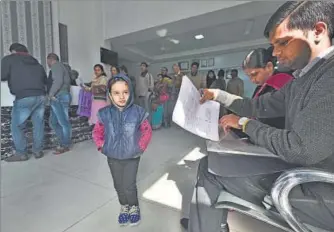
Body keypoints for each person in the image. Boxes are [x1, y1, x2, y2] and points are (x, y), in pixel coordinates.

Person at [188, 2, 334, 232]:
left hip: (319, 189)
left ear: (318, 31)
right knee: (216, 160)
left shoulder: (329, 77)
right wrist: (217, 94)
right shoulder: (302, 79)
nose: (275, 53)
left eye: (283, 43)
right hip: (303, 171)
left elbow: (300, 148)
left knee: (211, 169)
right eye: (273, 45)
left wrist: (245, 124)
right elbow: (258, 106)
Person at [92, 74, 152, 226]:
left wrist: (140, 146)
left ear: (130, 92)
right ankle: (124, 205)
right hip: (112, 156)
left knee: (129, 185)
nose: (121, 97)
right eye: (116, 93)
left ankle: (134, 206)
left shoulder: (138, 112)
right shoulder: (105, 114)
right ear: (110, 95)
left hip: (132, 156)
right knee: (118, 184)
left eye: (125, 92)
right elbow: (97, 131)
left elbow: (146, 131)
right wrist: (102, 145)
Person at [1, 43, 47, 162]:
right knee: (38, 125)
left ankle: (21, 153)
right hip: (41, 96)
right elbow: (45, 79)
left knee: (17, 125)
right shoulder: (36, 62)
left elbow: (2, 75)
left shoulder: (9, 59)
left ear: (13, 51)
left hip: (24, 96)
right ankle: (38, 151)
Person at [47, 53, 72, 155]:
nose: (47, 63)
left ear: (50, 59)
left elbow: (58, 81)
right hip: (61, 96)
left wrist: (51, 94)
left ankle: (65, 145)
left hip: (59, 96)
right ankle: (63, 142)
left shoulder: (56, 66)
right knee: (54, 122)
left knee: (63, 122)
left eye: (47, 61)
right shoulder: (63, 67)